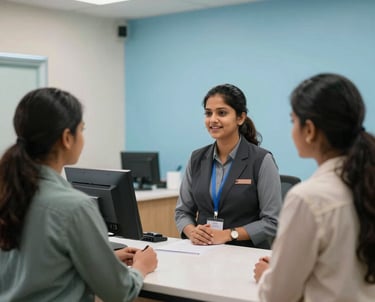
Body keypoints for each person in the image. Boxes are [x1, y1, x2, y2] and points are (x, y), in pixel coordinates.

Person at [0, 88, 158, 301]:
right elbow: (119, 292)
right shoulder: (74, 207)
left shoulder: (7, 192)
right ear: (67, 137)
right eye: (81, 130)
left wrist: (105, 259)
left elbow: (35, 264)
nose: (82, 138)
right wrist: (141, 267)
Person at [254, 73, 375, 301]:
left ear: (309, 130)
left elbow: (279, 296)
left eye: (293, 121)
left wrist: (269, 275)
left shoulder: (308, 198)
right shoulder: (365, 181)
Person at [175, 83, 282, 249]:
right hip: (203, 252)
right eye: (208, 113)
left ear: (240, 118)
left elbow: (272, 221)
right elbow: (182, 212)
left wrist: (228, 234)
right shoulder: (196, 158)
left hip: (245, 253)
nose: (213, 119)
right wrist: (192, 232)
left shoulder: (261, 160)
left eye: (222, 113)